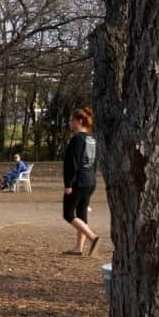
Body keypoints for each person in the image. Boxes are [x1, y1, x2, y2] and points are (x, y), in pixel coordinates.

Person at [62, 108, 101, 256]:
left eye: (72, 120)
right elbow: (95, 163)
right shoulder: (92, 139)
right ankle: (79, 248)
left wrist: (68, 184)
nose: (70, 123)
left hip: (78, 182)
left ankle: (93, 237)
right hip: (90, 181)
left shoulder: (77, 139)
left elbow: (72, 164)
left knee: (68, 214)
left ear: (80, 121)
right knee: (81, 214)